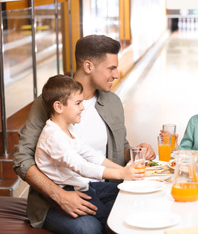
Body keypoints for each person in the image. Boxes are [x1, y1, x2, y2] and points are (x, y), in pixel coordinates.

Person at [13, 35, 156, 233]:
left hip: (98, 188)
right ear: (88, 67)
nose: (117, 74)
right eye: (111, 68)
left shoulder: (112, 102)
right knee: (89, 228)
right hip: (57, 196)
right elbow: (21, 159)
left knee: (145, 200)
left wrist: (135, 152)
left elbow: (120, 147)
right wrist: (60, 196)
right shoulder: (50, 104)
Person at [35, 75, 145, 233]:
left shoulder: (68, 128)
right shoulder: (53, 137)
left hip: (83, 185)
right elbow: (80, 166)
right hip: (69, 191)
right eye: (78, 103)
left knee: (125, 194)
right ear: (59, 107)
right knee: (107, 218)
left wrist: (126, 171)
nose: (83, 108)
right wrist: (121, 173)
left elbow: (90, 155)